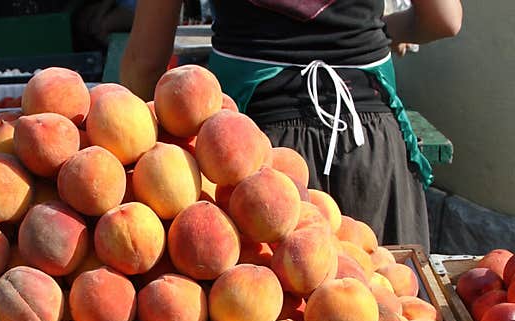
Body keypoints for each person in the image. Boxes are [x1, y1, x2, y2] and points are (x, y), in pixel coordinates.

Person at [120, 0, 462, 250]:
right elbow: (445, 20)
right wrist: (377, 31)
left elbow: (145, 63)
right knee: (389, 318)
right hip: (370, 144)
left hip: (249, 152)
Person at [73, 0, 137, 52]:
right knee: (82, 21)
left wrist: (97, 18)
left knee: (101, 28)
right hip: (120, 3)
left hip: (134, 6)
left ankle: (129, 53)